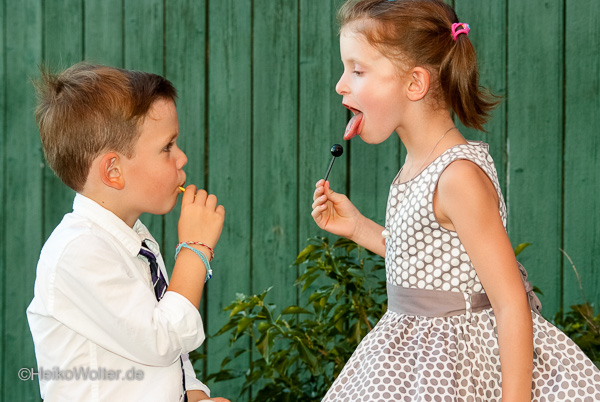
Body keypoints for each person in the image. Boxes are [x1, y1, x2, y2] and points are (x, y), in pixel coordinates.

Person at [311, 1, 600, 401]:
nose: (342, 84)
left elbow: (510, 301)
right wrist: (358, 226)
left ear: (415, 83)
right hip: (410, 360)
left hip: (456, 366)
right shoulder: (418, 163)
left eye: (357, 70)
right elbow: (428, 261)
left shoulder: (457, 176)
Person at [27, 62, 229, 402]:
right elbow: (161, 339)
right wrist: (195, 249)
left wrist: (194, 394)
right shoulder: (78, 252)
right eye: (167, 147)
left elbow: (169, 353)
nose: (182, 158)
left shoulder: (134, 239)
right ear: (114, 171)